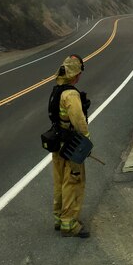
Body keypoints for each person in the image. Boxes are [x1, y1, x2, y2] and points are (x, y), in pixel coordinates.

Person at [50, 54, 91, 238]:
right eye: (79, 73)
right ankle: (70, 224)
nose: (80, 76)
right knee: (73, 182)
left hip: (58, 143)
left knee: (59, 181)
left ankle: (59, 218)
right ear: (75, 74)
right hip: (71, 146)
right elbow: (79, 122)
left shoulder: (57, 90)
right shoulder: (71, 94)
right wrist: (86, 143)